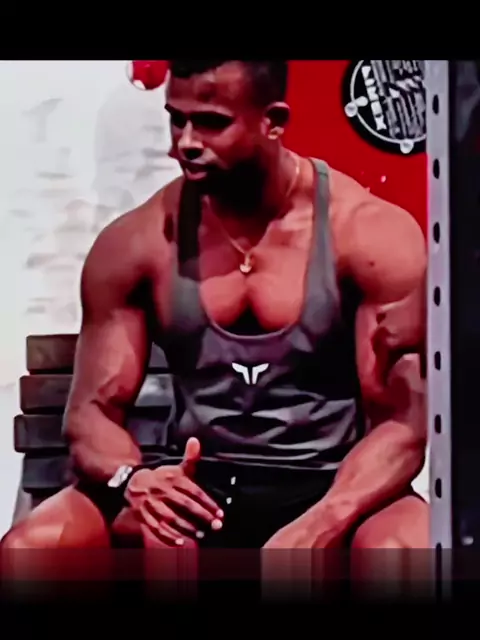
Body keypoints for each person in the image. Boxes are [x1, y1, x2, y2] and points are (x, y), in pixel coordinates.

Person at [1, 60, 428, 561]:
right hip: (199, 483)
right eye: (176, 119)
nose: (185, 142)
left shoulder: (368, 236)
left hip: (330, 481)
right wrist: (133, 478)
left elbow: (404, 422)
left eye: (210, 122)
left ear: (273, 121)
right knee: (34, 550)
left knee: (408, 549)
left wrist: (322, 523)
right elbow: (90, 413)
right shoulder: (139, 242)